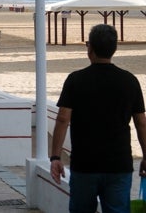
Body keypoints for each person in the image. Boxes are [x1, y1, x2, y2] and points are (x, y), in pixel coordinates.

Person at [50, 24, 146, 212]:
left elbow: (63, 119)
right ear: (114, 49)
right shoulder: (129, 80)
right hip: (119, 164)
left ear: (90, 48)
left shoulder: (75, 80)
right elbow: (141, 122)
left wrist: (55, 157)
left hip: (84, 164)